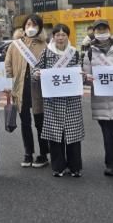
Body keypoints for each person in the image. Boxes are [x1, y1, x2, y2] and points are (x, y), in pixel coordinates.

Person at [83, 20, 113, 179]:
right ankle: (110, 165)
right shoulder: (89, 53)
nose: (101, 32)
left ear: (109, 30)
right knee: (107, 136)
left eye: (104, 29)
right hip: (101, 101)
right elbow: (86, 77)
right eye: (98, 29)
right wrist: (88, 78)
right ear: (94, 32)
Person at [34, 24, 84, 177]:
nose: (60, 38)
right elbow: (36, 69)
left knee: (73, 135)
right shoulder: (46, 52)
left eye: (63, 35)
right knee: (56, 135)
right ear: (53, 37)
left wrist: (82, 75)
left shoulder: (74, 52)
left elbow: (80, 71)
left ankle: (75, 167)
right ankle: (58, 167)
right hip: (53, 101)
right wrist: (37, 74)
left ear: (68, 36)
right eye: (57, 35)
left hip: (72, 100)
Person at [4, 14, 49, 168]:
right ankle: (28, 153)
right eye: (28, 24)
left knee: (40, 123)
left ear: (40, 27)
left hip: (39, 89)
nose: (31, 27)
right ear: (23, 27)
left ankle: (43, 154)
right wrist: (8, 83)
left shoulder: (45, 45)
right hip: (20, 87)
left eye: (34, 25)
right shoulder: (15, 45)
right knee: (25, 123)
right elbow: (8, 65)